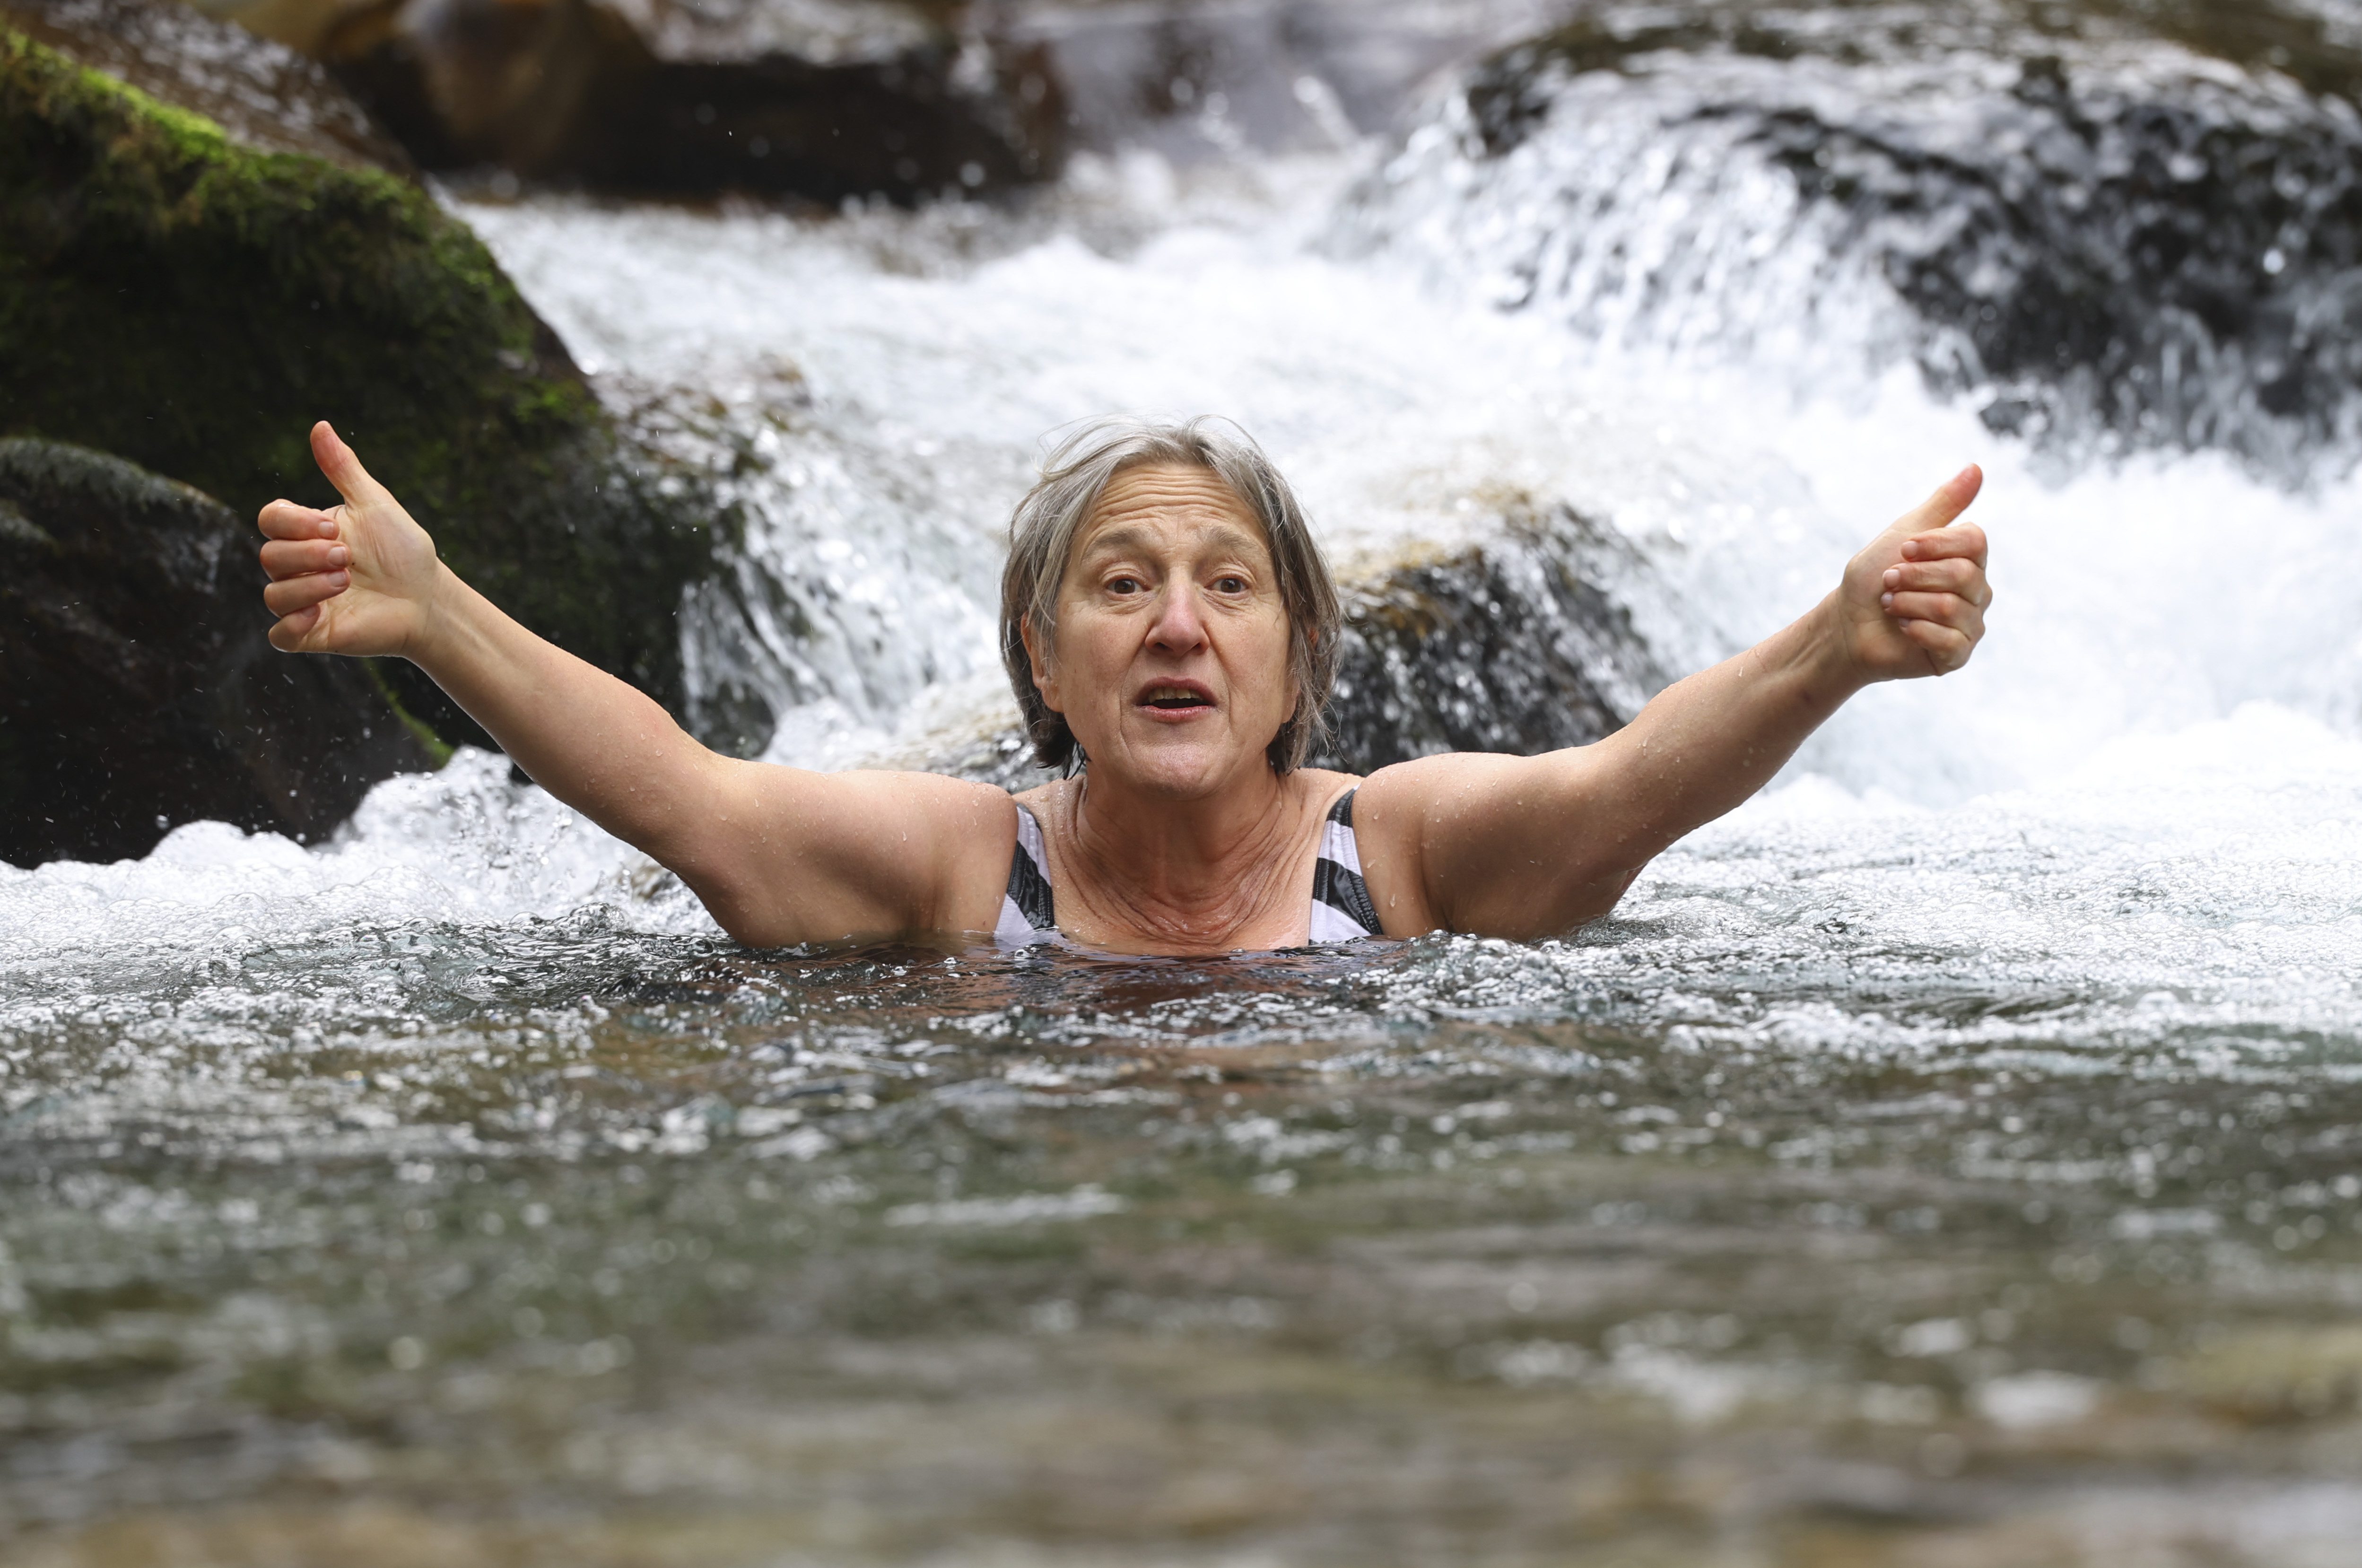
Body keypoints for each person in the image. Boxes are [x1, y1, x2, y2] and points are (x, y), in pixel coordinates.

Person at [256, 414, 1990, 954]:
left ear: (1296, 659)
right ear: (1042, 655)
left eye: (1230, 586)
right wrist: (439, 615)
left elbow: (1626, 784)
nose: (1178, 625)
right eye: (1121, 585)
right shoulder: (964, 870)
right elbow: (689, 794)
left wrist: (1834, 644)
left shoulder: (1399, 855)